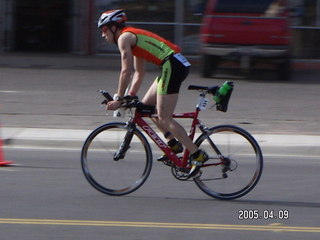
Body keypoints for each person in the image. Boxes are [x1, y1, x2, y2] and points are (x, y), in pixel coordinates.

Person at [98, 9, 208, 178]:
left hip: (171, 65)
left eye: (104, 30)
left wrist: (119, 99)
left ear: (114, 28)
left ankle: (197, 154)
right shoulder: (132, 39)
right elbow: (138, 73)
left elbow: (125, 71)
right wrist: (131, 95)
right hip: (171, 65)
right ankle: (173, 144)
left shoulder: (124, 38)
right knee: (146, 107)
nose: (103, 35)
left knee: (165, 117)